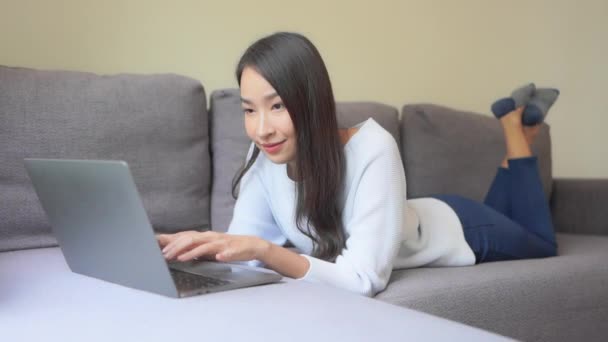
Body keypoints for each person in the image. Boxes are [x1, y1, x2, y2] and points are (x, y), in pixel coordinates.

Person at [157, 32, 558, 297]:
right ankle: (522, 132)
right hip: (416, 214)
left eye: (277, 105)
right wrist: (193, 247)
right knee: (512, 214)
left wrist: (266, 251)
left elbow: (363, 279)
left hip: (461, 227)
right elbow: (243, 248)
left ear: (313, 100)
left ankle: (512, 129)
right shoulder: (264, 154)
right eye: (249, 110)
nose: (261, 129)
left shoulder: (373, 149)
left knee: (540, 241)